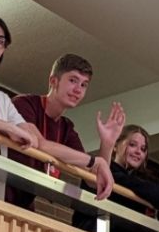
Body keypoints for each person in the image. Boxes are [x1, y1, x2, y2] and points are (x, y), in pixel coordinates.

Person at [0, 13, 112, 201]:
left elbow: (36, 142)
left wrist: (98, 157)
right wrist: (8, 128)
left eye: (0, 41)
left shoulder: (2, 98)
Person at [6, 53, 113, 213]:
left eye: (84, 85)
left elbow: (92, 179)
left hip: (24, 205)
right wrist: (95, 161)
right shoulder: (24, 103)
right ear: (53, 81)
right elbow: (39, 144)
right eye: (73, 80)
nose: (78, 90)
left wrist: (107, 144)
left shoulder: (66, 127)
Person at [73, 119, 159, 232]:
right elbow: (128, 182)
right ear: (115, 145)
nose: (138, 152)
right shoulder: (104, 170)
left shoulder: (142, 184)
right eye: (132, 145)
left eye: (143, 149)